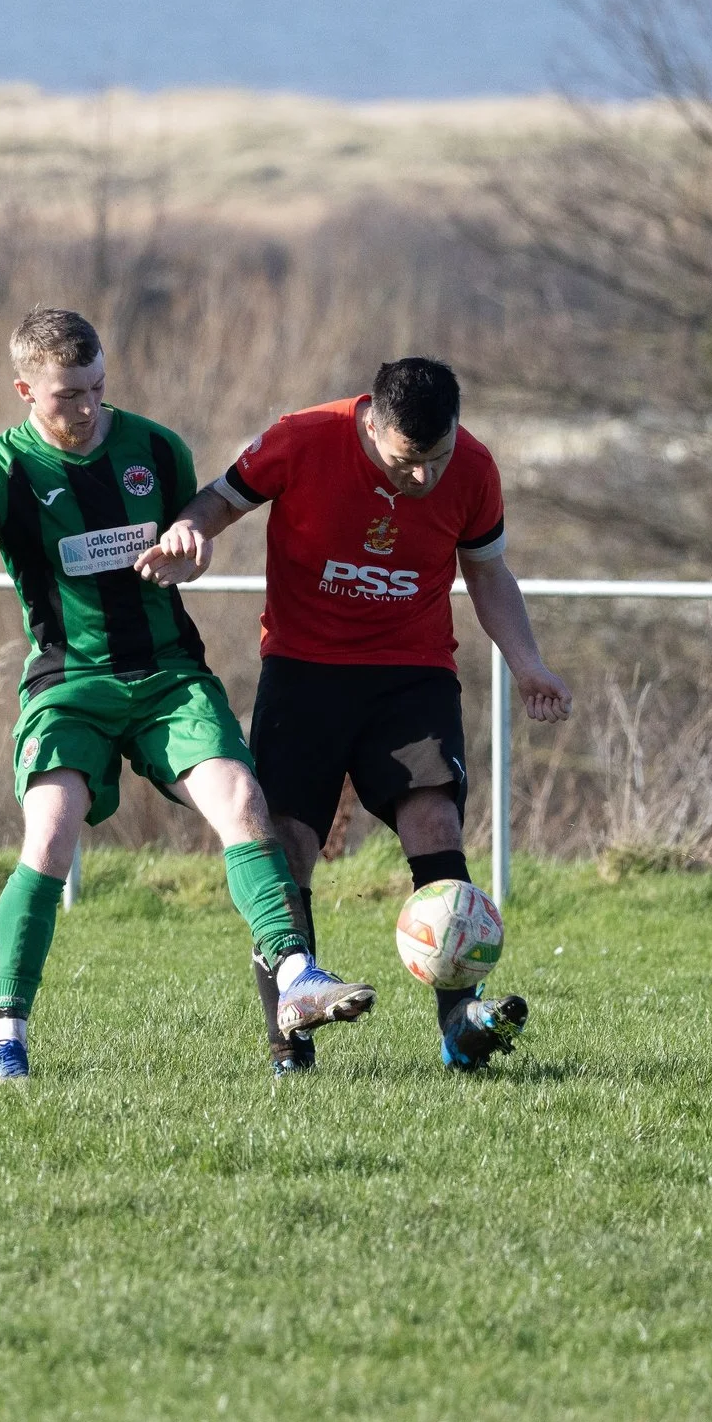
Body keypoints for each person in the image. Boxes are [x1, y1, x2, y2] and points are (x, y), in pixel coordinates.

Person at [0, 308, 378, 1081]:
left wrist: (191, 552)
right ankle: (7, 1037)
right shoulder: (6, 471)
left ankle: (296, 980)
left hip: (168, 676)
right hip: (71, 683)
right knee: (50, 837)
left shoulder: (155, 447)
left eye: (96, 387)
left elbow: (188, 545)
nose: (87, 408)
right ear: (25, 389)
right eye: (66, 396)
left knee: (244, 803)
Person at [138, 357, 572, 1073]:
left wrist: (528, 665)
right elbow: (219, 499)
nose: (426, 478)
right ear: (372, 424)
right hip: (305, 673)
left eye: (437, 458)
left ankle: (462, 1024)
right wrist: (188, 532)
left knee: (435, 822)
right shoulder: (304, 438)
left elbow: (488, 572)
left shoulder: (474, 468)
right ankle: (290, 1039)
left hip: (412, 673)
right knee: (289, 845)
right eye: (409, 461)